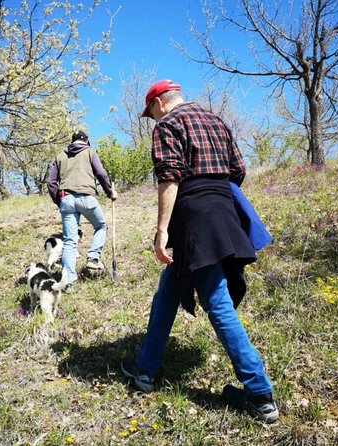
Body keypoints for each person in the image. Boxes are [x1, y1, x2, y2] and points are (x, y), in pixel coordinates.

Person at [120, 80, 279, 423]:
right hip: (224, 212)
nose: (151, 119)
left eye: (150, 113)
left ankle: (260, 394)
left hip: (193, 218)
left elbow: (169, 178)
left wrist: (162, 230)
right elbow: (239, 170)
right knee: (169, 289)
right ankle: (145, 369)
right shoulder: (216, 121)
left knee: (217, 302)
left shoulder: (168, 125)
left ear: (159, 103)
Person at [46, 130, 117, 289]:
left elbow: (51, 183)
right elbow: (100, 172)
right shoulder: (90, 152)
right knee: (101, 226)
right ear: (86, 141)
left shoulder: (60, 156)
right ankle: (93, 258)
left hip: (66, 199)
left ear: (72, 141)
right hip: (87, 197)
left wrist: (61, 201)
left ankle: (68, 281)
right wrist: (110, 192)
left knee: (70, 241)